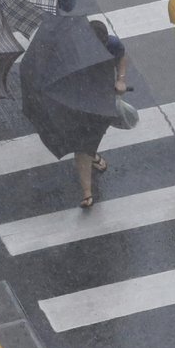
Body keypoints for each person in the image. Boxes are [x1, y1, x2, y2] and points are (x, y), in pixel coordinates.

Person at [72, 20, 128, 208]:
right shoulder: (76, 50)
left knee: (92, 136)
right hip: (79, 99)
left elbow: (121, 56)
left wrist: (120, 80)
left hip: (102, 97)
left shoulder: (111, 44)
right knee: (82, 145)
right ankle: (87, 192)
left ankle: (92, 153)